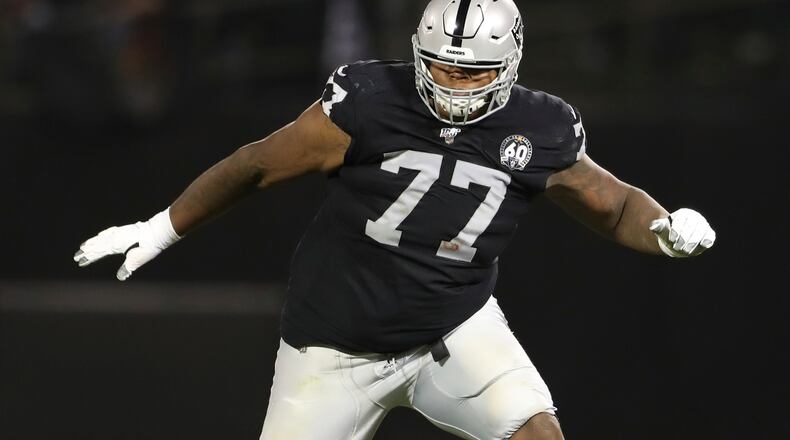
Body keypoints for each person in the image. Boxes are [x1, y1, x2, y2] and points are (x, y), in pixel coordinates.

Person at [73, 1, 716, 439]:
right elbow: (258, 164)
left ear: (512, 63)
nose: (456, 84)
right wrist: (163, 226)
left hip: (452, 330)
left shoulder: (539, 125)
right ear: (417, 52)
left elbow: (613, 204)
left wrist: (663, 230)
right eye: (441, 66)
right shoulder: (370, 102)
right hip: (331, 348)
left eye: (474, 71)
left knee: (538, 434)